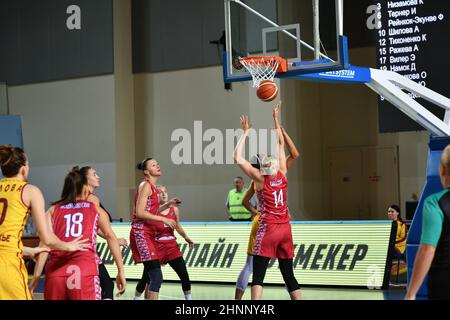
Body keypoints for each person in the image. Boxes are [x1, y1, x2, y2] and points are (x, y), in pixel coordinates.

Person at [0, 144, 88, 300]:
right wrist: (69, 245)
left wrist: (28, 250)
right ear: (23, 169)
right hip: (7, 265)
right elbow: (46, 238)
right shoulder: (30, 191)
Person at [233, 101, 301, 300]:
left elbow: (237, 157)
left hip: (270, 228)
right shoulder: (282, 173)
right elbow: (281, 144)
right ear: (263, 165)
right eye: (263, 156)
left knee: (259, 274)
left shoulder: (261, 180)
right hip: (286, 229)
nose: (267, 155)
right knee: (288, 274)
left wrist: (246, 132)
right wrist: (275, 120)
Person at [29, 167, 127, 300]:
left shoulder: (52, 210)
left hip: (55, 274)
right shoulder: (95, 208)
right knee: (107, 287)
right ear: (85, 187)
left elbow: (45, 244)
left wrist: (35, 278)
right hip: (84, 269)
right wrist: (121, 271)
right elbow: (110, 237)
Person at [129, 158, 179, 300]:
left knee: (153, 277)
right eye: (153, 165)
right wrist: (163, 218)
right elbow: (139, 212)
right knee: (156, 276)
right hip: (141, 233)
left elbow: (152, 211)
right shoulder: (145, 186)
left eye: (157, 163)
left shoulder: (153, 188)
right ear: (146, 171)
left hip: (149, 234)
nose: (157, 166)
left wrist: (167, 205)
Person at [405, 144, 450, 300]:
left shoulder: (435, 203)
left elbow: (427, 250)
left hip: (444, 282)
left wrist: (411, 293)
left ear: (442, 169)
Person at [133, 185, 194, 300]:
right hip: (156, 247)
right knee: (146, 278)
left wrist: (186, 237)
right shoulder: (151, 212)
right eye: (160, 192)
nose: (164, 194)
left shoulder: (174, 209)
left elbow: (177, 225)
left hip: (172, 248)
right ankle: (135, 298)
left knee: (184, 275)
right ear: (156, 196)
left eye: (165, 192)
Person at [79, 166, 128, 300]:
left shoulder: (75, 198)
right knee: (107, 286)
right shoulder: (92, 199)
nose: (98, 177)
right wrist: (112, 239)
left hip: (71, 250)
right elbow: (91, 228)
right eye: (94, 174)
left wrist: (115, 240)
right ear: (85, 179)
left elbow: (93, 227)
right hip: (86, 252)